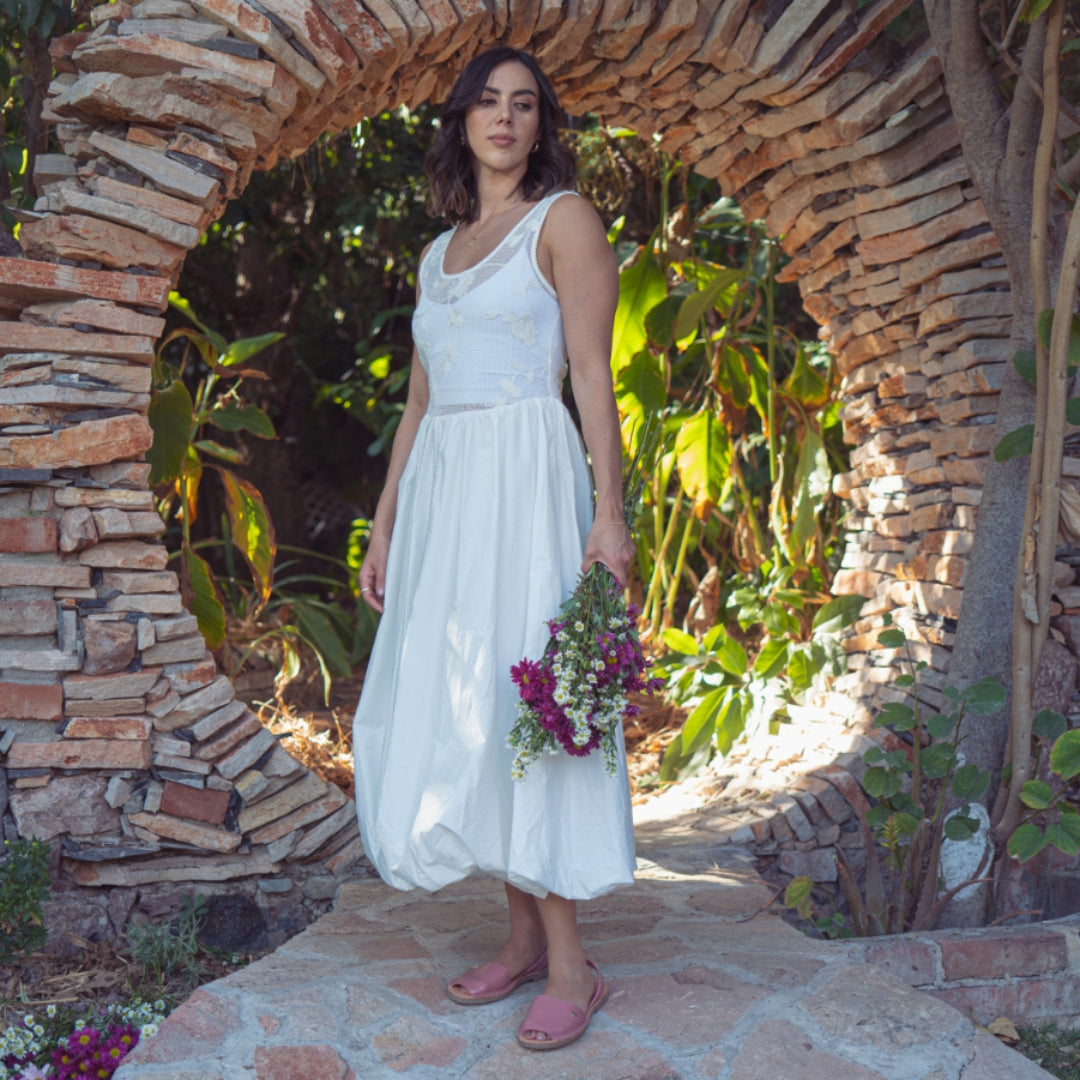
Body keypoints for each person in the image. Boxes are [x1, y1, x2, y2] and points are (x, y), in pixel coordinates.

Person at [352, 45, 636, 1052]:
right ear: (462, 119)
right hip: (445, 500)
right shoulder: (439, 252)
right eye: (488, 102)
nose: (505, 120)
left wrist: (610, 517)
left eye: (524, 105)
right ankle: (518, 942)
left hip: (527, 481)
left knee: (536, 705)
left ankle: (572, 967)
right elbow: (419, 402)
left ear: (539, 124)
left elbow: (594, 378)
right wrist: (386, 523)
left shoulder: (564, 222)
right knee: (473, 708)